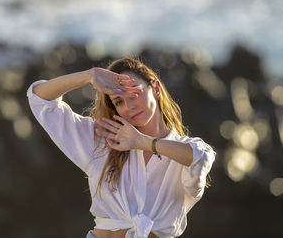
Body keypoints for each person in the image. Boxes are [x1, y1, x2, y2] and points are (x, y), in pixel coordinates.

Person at [27, 58, 216, 238]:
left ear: (156, 89)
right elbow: (39, 99)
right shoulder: (104, 140)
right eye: (119, 101)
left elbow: (199, 158)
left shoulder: (186, 149)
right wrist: (89, 76)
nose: (129, 106)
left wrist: (140, 141)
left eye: (134, 93)